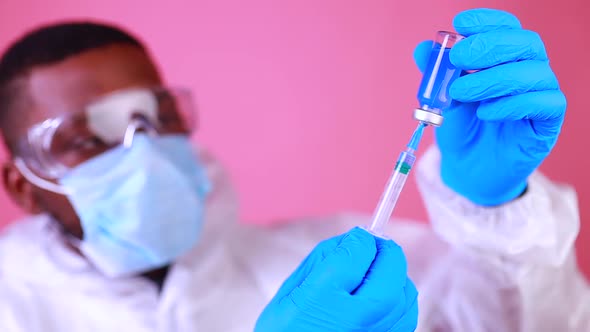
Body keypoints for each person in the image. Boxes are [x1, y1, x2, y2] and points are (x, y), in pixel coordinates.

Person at [0, 7, 587, 331]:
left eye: (156, 116)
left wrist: (494, 208)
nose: (142, 150)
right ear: (23, 187)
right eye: (83, 139)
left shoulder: (327, 262)